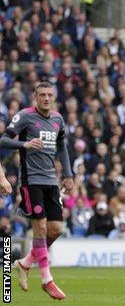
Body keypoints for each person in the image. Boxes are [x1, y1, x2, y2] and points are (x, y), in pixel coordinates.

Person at [1, 81, 74, 300]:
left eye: (49, 95)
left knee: (56, 229)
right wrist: (24, 145)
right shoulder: (25, 116)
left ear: (53, 97)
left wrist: (69, 175)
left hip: (51, 180)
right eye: (41, 94)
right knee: (40, 228)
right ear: (35, 96)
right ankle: (46, 279)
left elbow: (62, 147)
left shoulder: (58, 119)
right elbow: (3, 139)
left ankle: (24, 263)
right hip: (30, 180)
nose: (45, 98)